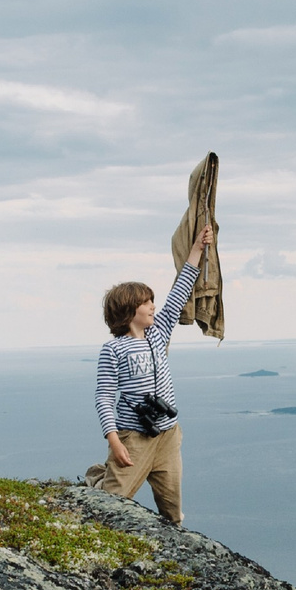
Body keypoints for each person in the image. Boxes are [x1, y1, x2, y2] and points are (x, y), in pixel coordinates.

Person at [92, 223, 214, 524]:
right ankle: (96, 478)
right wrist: (114, 441)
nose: (152, 306)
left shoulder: (158, 335)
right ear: (129, 310)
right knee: (110, 505)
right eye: (146, 302)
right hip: (134, 436)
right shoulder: (113, 349)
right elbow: (105, 397)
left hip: (168, 435)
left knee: (173, 514)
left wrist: (198, 248)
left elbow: (179, 293)